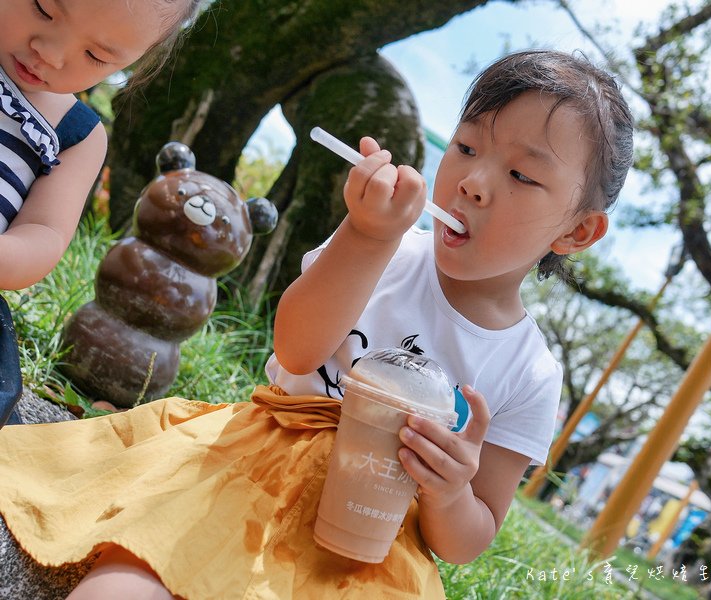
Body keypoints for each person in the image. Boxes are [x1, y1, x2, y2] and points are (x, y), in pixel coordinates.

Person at [0, 49, 634, 599]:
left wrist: (449, 492)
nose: (472, 182)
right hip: (256, 462)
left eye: (522, 174)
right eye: (467, 147)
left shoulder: (528, 373)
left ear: (577, 231)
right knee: (136, 574)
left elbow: (469, 539)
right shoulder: (385, 250)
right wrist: (363, 237)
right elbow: (297, 352)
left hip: (371, 543)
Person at [0, 0, 203, 427]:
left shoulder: (76, 134)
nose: (50, 53)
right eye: (42, 8)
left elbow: (43, 233)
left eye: (96, 56)